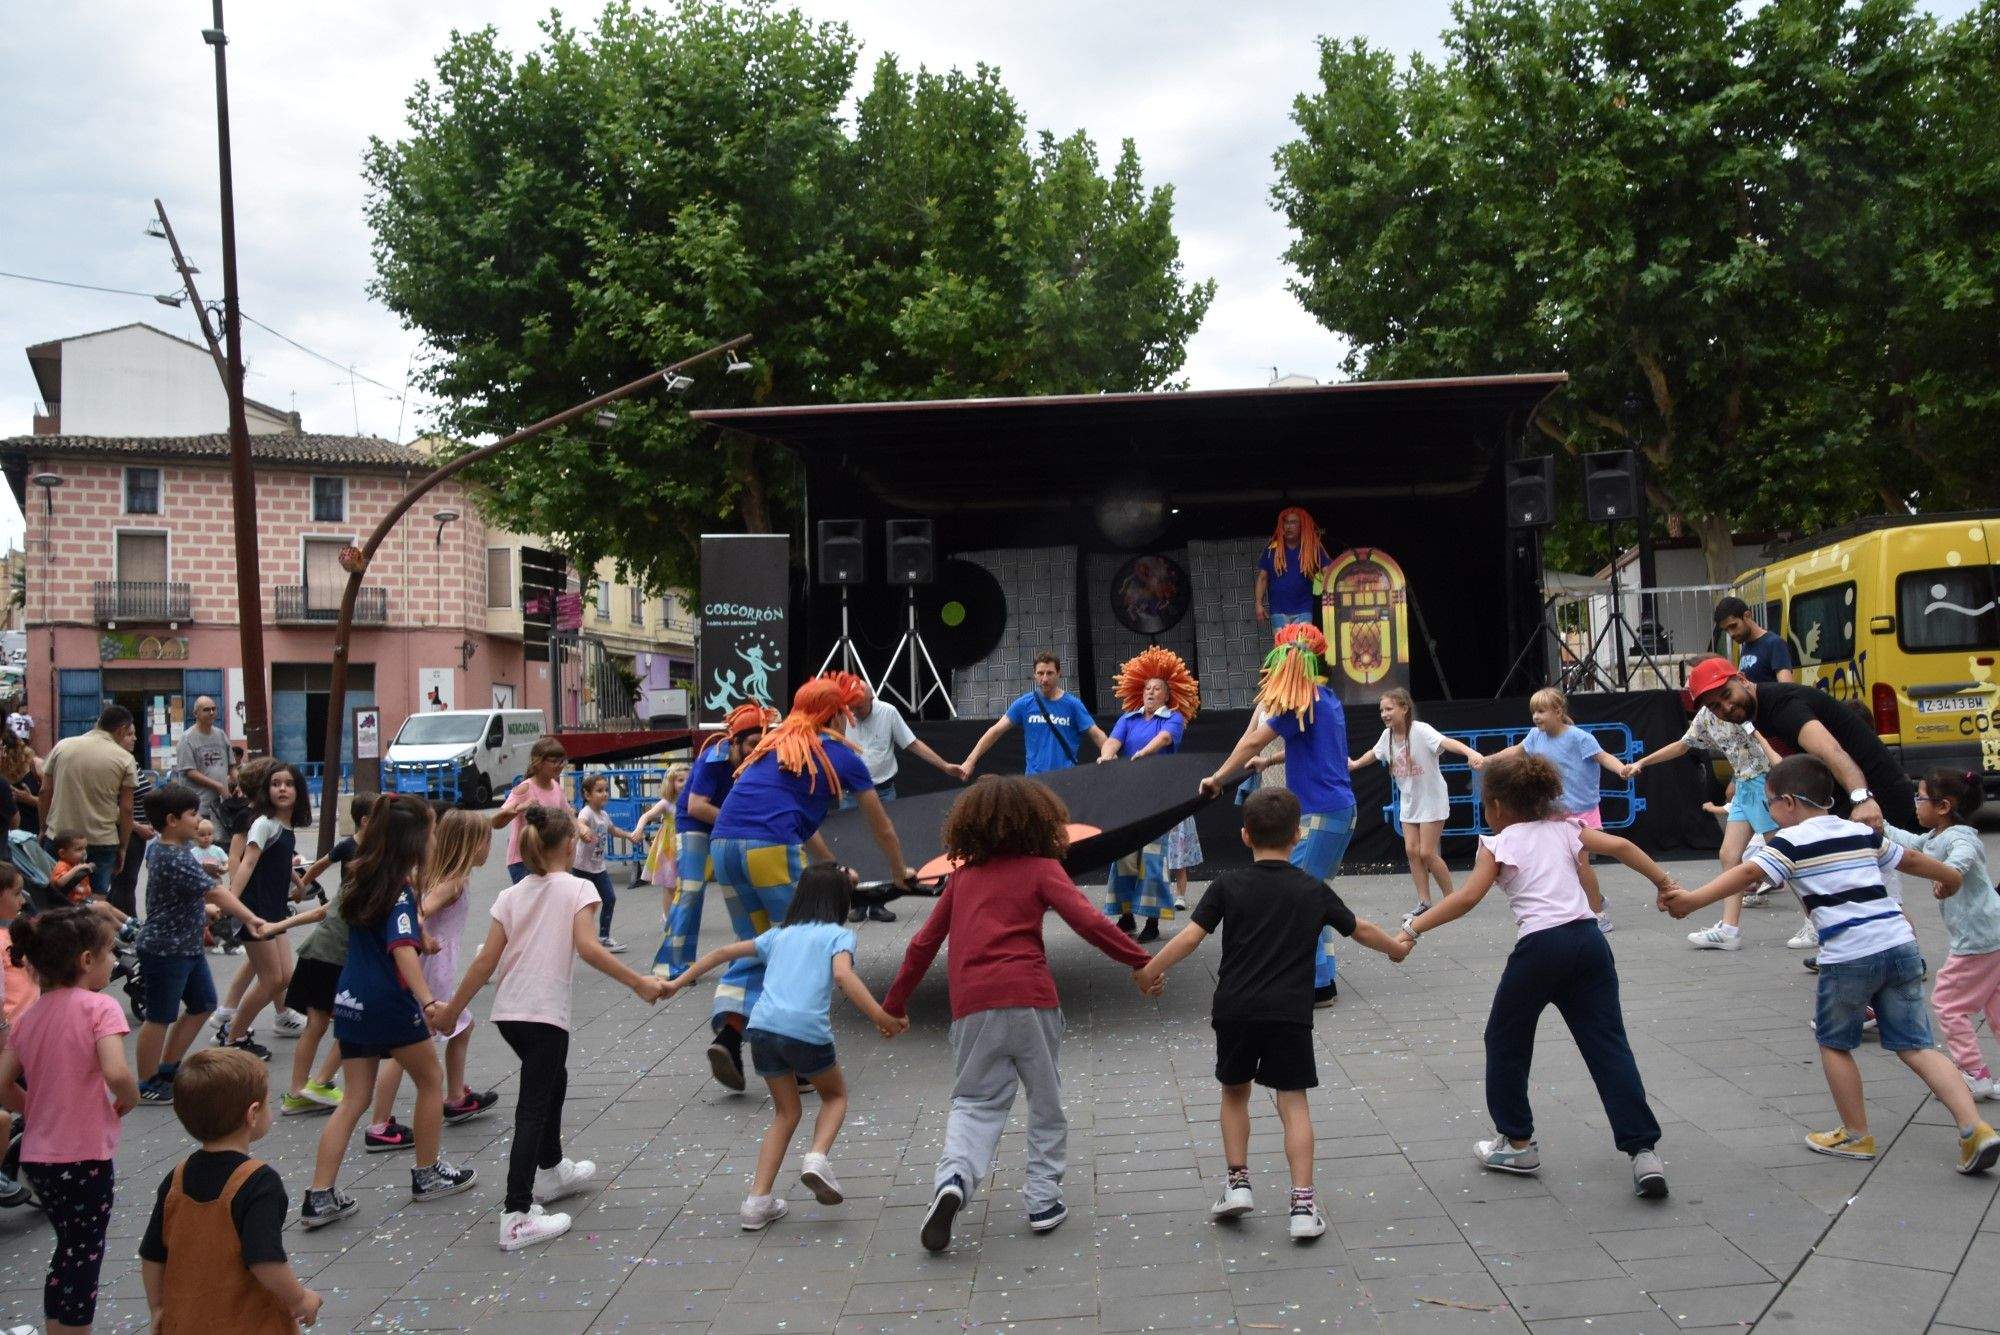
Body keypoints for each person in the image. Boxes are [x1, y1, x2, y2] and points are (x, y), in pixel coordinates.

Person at [1662, 755, 2000, 1173]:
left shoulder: (1787, 843)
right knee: (1917, 1046)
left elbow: (1748, 874)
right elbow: (1910, 861)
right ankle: (1975, 1128)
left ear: (1788, 802)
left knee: (1835, 1044)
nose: (1769, 814)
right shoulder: (1859, 831)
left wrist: (1693, 900)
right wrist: (1950, 878)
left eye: (1769, 804)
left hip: (1848, 955)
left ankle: (1856, 1136)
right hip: (1899, 944)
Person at [883, 776, 1156, 1251]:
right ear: (1041, 822)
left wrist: (894, 1004)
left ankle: (954, 1182)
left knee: (974, 1102)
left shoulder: (962, 878)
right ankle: (1043, 1200)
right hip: (1031, 998)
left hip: (972, 1005)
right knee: (1045, 1100)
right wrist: (1141, 960)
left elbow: (923, 943)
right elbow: (1087, 921)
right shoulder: (1043, 868)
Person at [1396, 755, 1680, 1199]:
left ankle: (1517, 1143)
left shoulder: (1497, 843)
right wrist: (1665, 884)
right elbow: (1623, 848)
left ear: (1496, 805)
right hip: (1589, 944)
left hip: (1540, 949)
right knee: (1607, 1044)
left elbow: (1468, 898)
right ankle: (1644, 1151)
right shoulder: (1568, 831)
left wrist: (1414, 927)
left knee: (1506, 1039)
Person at [1139, 788, 1410, 1240]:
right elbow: (1358, 929)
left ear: (1245, 836)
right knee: (1293, 1100)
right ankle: (1303, 1206)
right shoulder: (1312, 889)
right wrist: (1395, 949)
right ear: (1297, 834)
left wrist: (1149, 970)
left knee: (1234, 1092)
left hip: (1235, 1009)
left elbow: (1190, 938)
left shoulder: (1227, 884)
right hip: (1289, 1012)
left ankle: (1238, 1183)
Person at [430, 804, 669, 1250]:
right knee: (533, 1106)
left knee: (552, 1079)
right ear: (569, 845)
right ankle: (517, 1212)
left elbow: (485, 963)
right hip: (543, 1014)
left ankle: (553, 1168)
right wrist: (638, 983)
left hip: (511, 1014)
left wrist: (450, 1011)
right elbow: (589, 949)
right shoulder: (579, 890)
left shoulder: (512, 894)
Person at [666, 862, 906, 1231]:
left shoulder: (778, 935)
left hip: (761, 1030)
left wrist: (674, 983)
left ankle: (757, 1202)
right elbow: (843, 975)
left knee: (785, 1113)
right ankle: (816, 1159)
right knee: (835, 1096)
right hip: (805, 1030)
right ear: (840, 902)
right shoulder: (837, 936)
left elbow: (720, 954)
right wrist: (881, 1017)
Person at [702, 675, 913, 1092]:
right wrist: (898, 872)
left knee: (758, 941)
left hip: (723, 846)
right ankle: (796, 1061)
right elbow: (881, 826)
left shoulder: (773, 745)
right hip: (769, 850)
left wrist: (831, 867)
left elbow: (795, 821)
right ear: (835, 713)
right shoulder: (838, 753)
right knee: (797, 949)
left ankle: (728, 1035)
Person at [301, 794, 476, 1230]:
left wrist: (421, 938)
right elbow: (400, 950)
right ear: (414, 838)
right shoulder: (399, 887)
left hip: (351, 999)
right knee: (431, 1080)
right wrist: (429, 1002)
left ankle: (319, 1195)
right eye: (432, 830)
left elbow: (390, 935)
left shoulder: (361, 875)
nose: (435, 838)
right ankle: (427, 1172)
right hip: (387, 1002)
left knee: (355, 1098)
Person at [1199, 623, 1357, 1005]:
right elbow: (1304, 749)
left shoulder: (1302, 705)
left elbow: (1252, 738)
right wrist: (1267, 759)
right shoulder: (1326, 698)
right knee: (1310, 893)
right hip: (1334, 811)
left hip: (1321, 813)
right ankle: (1321, 981)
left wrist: (1218, 778)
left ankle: (1317, 985)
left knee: (1298, 897)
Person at [0, 906, 139, 1334]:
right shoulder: (100, 1008)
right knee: (85, 1252)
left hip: (38, 1157)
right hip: (84, 1155)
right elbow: (116, 1072)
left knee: (67, 1248)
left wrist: (35, 1105)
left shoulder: (28, 1017)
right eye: (109, 953)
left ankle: (55, 1327)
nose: (114, 960)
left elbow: (2, 1084)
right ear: (85, 960)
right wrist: (128, 1097)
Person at [139, 1047, 321, 1332]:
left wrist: (158, 1307)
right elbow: (265, 1259)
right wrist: (299, 1299)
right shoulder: (259, 1182)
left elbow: (152, 1254)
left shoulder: (177, 1177)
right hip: (247, 1323)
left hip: (186, 1322)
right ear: (253, 1113)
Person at [359, 809, 503, 1145]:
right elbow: (419, 912)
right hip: (433, 970)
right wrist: (422, 935)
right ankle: (379, 1124)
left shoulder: (446, 876)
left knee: (462, 1026)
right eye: (486, 841)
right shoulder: (452, 883)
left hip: (437, 968)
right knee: (408, 1046)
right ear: (470, 844)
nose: (489, 848)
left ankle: (455, 1096)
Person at [1625, 658, 1788, 952]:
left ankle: (1817, 921)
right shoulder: (1706, 717)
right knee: (1729, 855)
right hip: (1744, 786)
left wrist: (1779, 774)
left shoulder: (1745, 709)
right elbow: (1683, 744)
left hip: (1765, 783)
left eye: (1720, 696)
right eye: (1709, 700)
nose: (1720, 706)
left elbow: (1765, 740)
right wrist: (1643, 762)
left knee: (1786, 856)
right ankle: (1729, 929)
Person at [1692, 662, 1918, 831]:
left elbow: (1830, 751)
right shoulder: (1757, 711)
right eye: (1715, 706)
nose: (1726, 707)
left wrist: (1862, 799)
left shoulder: (1783, 707)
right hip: (1843, 801)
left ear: (1742, 680)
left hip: (1877, 798)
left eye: (1727, 694)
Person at [260, 795, 375, 1119]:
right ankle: (313, 1086)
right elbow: (328, 911)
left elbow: (324, 911)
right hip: (330, 958)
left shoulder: (356, 882)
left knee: (320, 1023)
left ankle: (300, 1091)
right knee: (348, 1021)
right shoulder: (364, 881)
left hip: (321, 955)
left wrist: (278, 924)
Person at [1887, 769, 2000, 1099]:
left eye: (1919, 797)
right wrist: (1878, 829)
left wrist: (1950, 879)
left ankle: (1973, 1072)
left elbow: (1964, 858)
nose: (1915, 803)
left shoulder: (1960, 837)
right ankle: (1975, 1072)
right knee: (1994, 1005)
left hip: (1977, 938)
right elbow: (1912, 845)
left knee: (1948, 1003)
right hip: (1989, 931)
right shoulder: (1937, 835)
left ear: (1943, 806)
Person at [1487, 688, 1625, 931]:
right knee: (1569, 865)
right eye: (1533, 712)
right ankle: (1594, 899)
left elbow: (1603, 757)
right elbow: (1515, 751)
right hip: (1552, 814)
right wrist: (1489, 760)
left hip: (1580, 812)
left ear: (1558, 711)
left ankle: (1598, 913)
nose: (1536, 717)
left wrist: (1622, 769)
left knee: (1581, 864)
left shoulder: (1579, 738)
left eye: (1541, 711)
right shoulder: (1534, 736)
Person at [654, 705, 774, 981]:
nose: (757, 749)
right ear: (735, 742)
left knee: (739, 890)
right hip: (695, 823)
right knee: (692, 889)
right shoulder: (713, 757)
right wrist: (734, 822)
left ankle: (746, 961)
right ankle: (672, 964)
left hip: (726, 826)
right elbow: (696, 806)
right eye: (752, 744)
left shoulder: (755, 761)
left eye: (761, 743)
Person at [1349, 688, 1486, 915]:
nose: (1384, 713)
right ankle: (1424, 901)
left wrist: (1470, 752)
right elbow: (1374, 753)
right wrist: (1354, 764)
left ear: (1404, 708)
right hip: (1409, 801)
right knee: (1412, 851)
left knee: (1427, 853)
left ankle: (1452, 899)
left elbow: (1447, 742)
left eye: (1389, 708)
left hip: (1431, 800)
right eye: (1381, 709)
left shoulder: (1421, 731)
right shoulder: (1388, 736)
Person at [1097, 647, 1201, 941]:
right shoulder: (1128, 720)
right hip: (1128, 797)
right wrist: (1106, 755)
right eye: (1147, 688)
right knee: (1125, 857)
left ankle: (1152, 922)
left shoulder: (1174, 718)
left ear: (1168, 695)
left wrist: (1144, 751)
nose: (1151, 692)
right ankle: (1127, 916)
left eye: (1157, 689)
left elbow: (1166, 738)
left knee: (1153, 858)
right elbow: (1112, 742)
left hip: (1158, 798)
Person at [841, 680, 960, 923]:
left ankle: (878, 903)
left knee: (885, 846)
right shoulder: (841, 715)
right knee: (851, 846)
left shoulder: (888, 712)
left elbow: (913, 744)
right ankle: (857, 901)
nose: (854, 713)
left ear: (871, 700)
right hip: (850, 793)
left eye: (859, 707)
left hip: (882, 790)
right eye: (850, 707)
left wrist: (945, 766)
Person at [132, 783, 220, 1103]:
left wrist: (203, 882)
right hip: (165, 947)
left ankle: (168, 1066)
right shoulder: (169, 853)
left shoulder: (166, 846)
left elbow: (183, 885)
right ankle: (146, 1081)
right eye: (193, 813)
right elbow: (216, 891)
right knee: (159, 1016)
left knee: (204, 1004)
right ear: (172, 820)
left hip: (188, 944)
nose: (199, 819)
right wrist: (247, 915)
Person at [220, 762, 313, 1059]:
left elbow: (281, 861)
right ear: (266, 790)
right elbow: (247, 863)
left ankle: (234, 1029)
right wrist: (230, 903)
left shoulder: (285, 826)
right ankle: (234, 1037)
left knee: (284, 977)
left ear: (298, 790)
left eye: (288, 783)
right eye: (276, 784)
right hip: (254, 909)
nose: (282, 788)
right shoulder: (263, 823)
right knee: (272, 979)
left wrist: (299, 883)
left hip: (274, 910)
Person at [956, 654, 1107, 779]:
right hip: (1034, 782)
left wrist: (1108, 755)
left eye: (1049, 673)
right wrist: (970, 761)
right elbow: (995, 731)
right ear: (1034, 675)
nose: (1045, 679)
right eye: (1040, 673)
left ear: (1059, 674)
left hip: (1065, 779)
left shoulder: (1073, 705)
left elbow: (1096, 734)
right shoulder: (1025, 703)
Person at [43, 705, 138, 900]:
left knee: (54, 898)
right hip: (102, 840)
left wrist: (43, 829)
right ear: (121, 730)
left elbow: (44, 791)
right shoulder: (125, 759)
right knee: (96, 901)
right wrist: (123, 847)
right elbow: (127, 808)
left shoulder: (62, 746)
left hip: (60, 837)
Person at [492, 736, 585, 883]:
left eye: (562, 761)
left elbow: (568, 816)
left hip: (550, 858)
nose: (560, 765)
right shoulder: (525, 788)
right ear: (538, 762)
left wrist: (581, 829)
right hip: (524, 861)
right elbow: (495, 822)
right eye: (554, 761)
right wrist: (520, 808)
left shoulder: (556, 787)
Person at [574, 774, 641, 953]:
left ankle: (603, 938)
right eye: (599, 791)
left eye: (606, 790)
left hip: (598, 866)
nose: (604, 794)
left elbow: (612, 830)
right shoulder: (586, 812)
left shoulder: (603, 814)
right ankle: (577, 939)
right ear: (587, 795)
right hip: (581, 867)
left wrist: (628, 835)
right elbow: (579, 823)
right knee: (581, 905)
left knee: (609, 899)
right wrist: (584, 829)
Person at [0, 865, 31, 1205]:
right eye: (16, 892)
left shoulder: (13, 933)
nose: (22, 898)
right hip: (11, 1036)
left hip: (26, 1033)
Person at [1255, 507, 1333, 629]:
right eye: (1286, 522)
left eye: (1293, 522)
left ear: (1302, 526)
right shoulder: (1272, 550)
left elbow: (1328, 573)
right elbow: (1262, 578)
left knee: (1302, 647)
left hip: (1304, 610)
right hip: (1278, 610)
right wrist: (1258, 604)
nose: (1288, 526)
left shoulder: (1312, 548)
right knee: (1283, 647)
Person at [173, 696, 233, 825]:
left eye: (214, 709)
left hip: (222, 805)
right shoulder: (187, 739)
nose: (211, 713)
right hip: (199, 807)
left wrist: (240, 784)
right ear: (196, 714)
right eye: (206, 710)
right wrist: (218, 785)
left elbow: (232, 766)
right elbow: (189, 771)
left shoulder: (221, 735)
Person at [1713, 596, 1795, 684]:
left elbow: (1787, 688)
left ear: (1747, 616)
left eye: (1733, 626)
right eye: (1726, 630)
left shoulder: (1774, 643)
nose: (1731, 634)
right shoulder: (1745, 646)